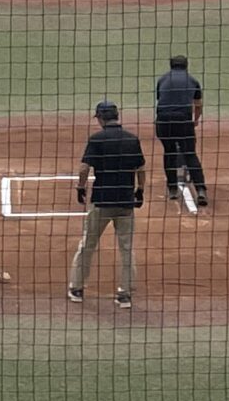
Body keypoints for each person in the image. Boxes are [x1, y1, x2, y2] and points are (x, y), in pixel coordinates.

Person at [68, 99, 144, 308]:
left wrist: (81, 188)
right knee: (127, 249)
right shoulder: (132, 139)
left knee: (87, 245)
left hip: (102, 201)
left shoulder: (97, 139)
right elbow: (141, 168)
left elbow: (84, 168)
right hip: (125, 202)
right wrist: (140, 191)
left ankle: (77, 288)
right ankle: (125, 294)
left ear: (100, 118)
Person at [154, 53, 208, 210]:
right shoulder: (192, 81)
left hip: (163, 121)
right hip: (183, 121)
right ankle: (200, 189)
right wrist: (195, 120)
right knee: (190, 154)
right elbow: (198, 105)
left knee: (169, 152)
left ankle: (172, 188)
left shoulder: (162, 79)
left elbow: (162, 99)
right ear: (186, 66)